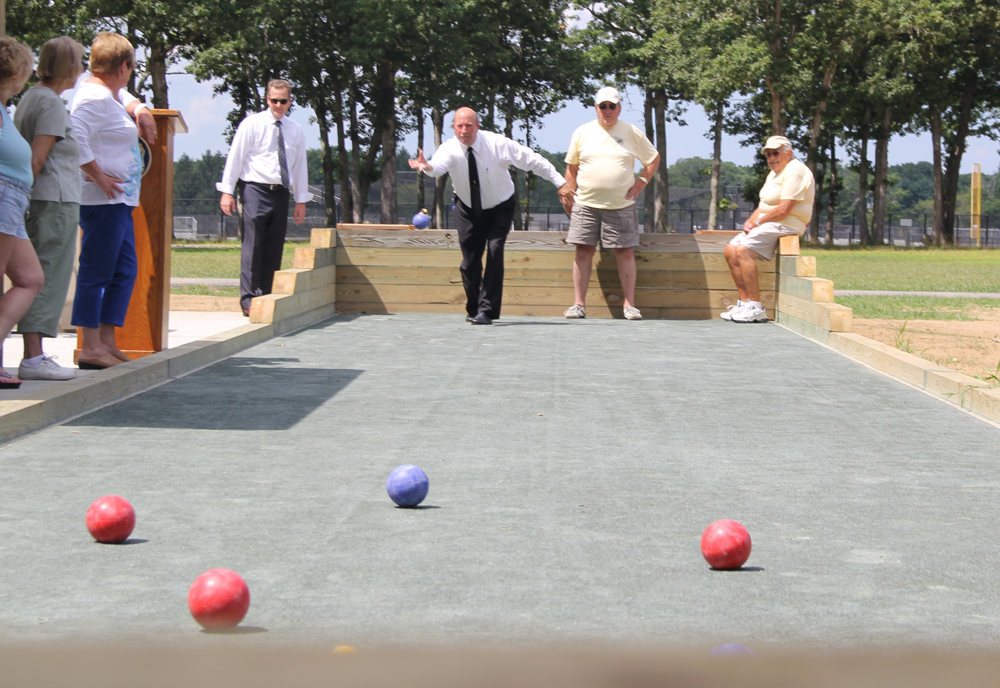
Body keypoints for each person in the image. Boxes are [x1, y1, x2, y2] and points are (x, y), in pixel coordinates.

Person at [408, 107, 573, 325]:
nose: (464, 131)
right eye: (459, 126)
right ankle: (474, 307)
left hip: (500, 205)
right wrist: (427, 166)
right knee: (469, 262)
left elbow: (532, 160)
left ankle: (487, 311)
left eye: (469, 126)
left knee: (495, 251)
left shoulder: (497, 144)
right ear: (453, 128)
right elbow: (437, 167)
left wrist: (560, 182)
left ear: (477, 126)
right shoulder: (449, 149)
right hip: (467, 208)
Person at [70, 32, 156, 370]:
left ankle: (106, 341)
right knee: (96, 272)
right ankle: (90, 347)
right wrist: (98, 175)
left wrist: (140, 107)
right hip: (102, 202)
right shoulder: (94, 98)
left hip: (119, 202)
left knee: (123, 270)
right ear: (124, 67)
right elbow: (74, 136)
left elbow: (121, 95)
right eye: (131, 68)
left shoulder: (108, 94)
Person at [13, 37, 87, 381]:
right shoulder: (51, 103)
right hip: (53, 200)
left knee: (37, 274)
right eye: (80, 61)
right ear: (68, 66)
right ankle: (34, 357)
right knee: (46, 275)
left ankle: (34, 354)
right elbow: (37, 158)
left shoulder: (31, 97)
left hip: (44, 199)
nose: (82, 68)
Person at [561, 87, 660, 321]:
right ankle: (578, 305)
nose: (607, 110)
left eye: (612, 106)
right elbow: (572, 167)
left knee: (624, 252)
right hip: (585, 204)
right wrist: (567, 192)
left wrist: (640, 184)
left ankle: (630, 306)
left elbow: (653, 159)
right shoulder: (582, 132)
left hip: (620, 205)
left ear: (619, 108)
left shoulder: (631, 131)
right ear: (596, 108)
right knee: (583, 251)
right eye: (603, 106)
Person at [217, 79, 311, 317]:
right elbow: (235, 157)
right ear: (267, 100)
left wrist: (301, 199)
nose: (278, 105)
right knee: (253, 244)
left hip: (281, 192)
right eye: (274, 100)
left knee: (274, 246)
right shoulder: (252, 124)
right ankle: (248, 298)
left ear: (290, 101)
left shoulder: (296, 130)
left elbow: (300, 166)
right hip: (255, 189)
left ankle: (266, 295)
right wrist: (227, 191)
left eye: (283, 101)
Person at [722, 135, 814, 323]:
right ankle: (745, 304)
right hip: (770, 222)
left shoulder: (796, 170)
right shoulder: (774, 173)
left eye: (775, 153)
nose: (771, 158)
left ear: (789, 153)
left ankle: (756, 308)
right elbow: (764, 205)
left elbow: (783, 210)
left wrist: (758, 223)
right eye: (768, 154)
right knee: (730, 250)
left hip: (788, 223)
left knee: (744, 251)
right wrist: (750, 222)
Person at [0, 37, 45, 389]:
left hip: (13, 200)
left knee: (30, 278)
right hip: (3, 196)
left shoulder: (4, 108)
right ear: (14, 76)